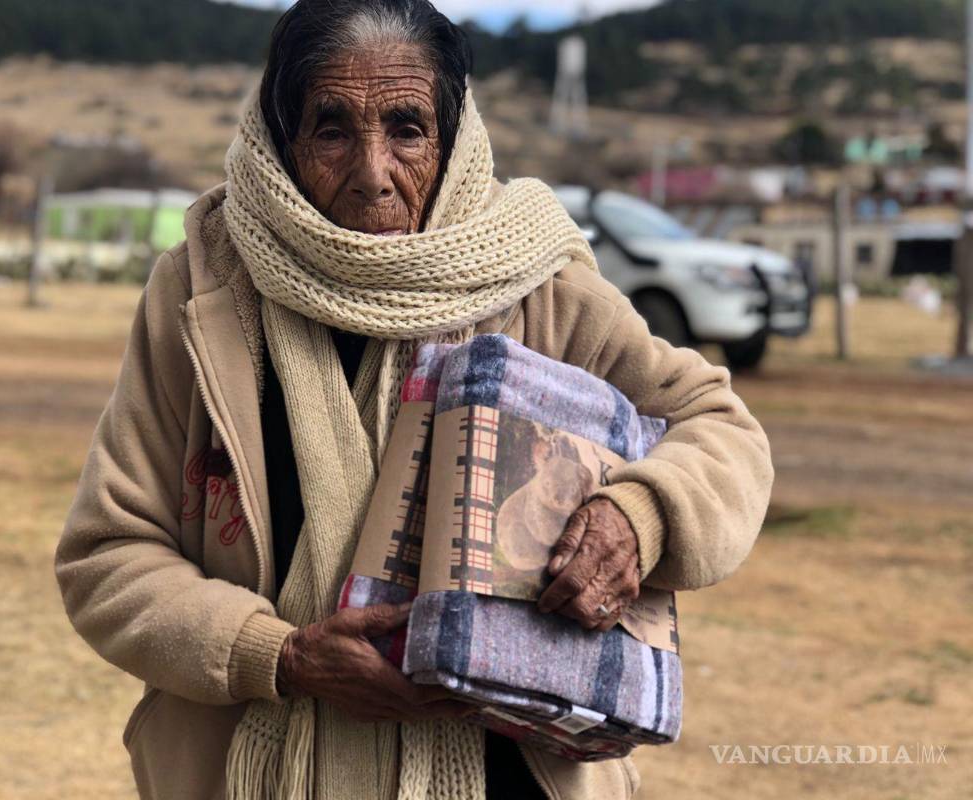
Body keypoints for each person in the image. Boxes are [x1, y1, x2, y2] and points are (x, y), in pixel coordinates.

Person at [53, 1, 774, 798]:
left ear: (455, 138)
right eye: (331, 129)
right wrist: (280, 657)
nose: (372, 173)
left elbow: (718, 427)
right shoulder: (205, 289)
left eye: (406, 128)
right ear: (279, 140)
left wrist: (640, 515)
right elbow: (108, 555)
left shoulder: (537, 281)